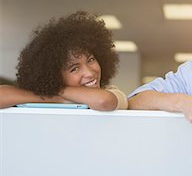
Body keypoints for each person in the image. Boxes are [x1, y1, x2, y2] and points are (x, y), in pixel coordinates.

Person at [0, 11, 128, 110]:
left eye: (91, 59)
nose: (89, 73)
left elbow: (104, 101)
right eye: (75, 68)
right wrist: (55, 95)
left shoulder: (112, 92)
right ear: (55, 76)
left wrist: (54, 92)